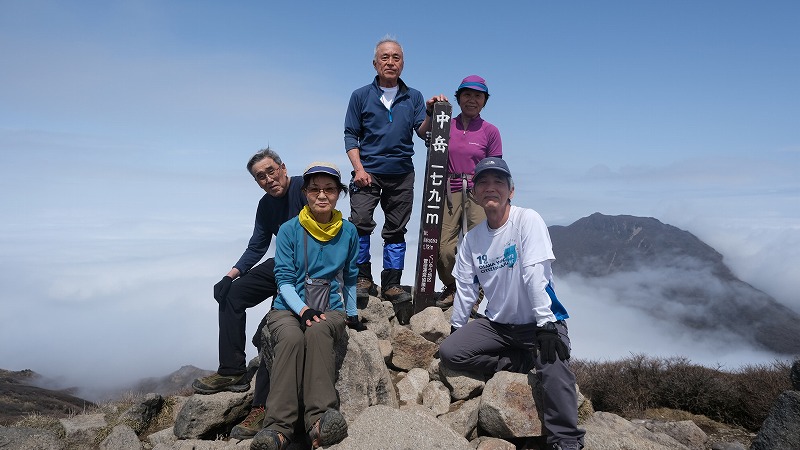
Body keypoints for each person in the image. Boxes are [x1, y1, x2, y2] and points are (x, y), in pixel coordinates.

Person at [438, 157, 585, 450]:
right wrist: (457, 327)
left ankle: (566, 440)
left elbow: (535, 274)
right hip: (498, 325)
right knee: (450, 352)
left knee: (553, 363)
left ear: (511, 191)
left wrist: (546, 324)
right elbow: (466, 288)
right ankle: (517, 362)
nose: (490, 187)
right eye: (483, 182)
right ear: (474, 193)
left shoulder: (527, 220)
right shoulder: (472, 240)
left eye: (498, 182)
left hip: (539, 322)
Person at [191, 148, 306, 440]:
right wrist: (230, 275)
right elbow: (257, 245)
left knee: (273, 329)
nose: (268, 179)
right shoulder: (266, 205)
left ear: (283, 168)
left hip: (310, 269)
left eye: (271, 171)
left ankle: (263, 407)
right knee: (231, 295)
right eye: (260, 177)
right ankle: (232, 371)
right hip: (282, 263)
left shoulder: (305, 188)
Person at [251, 162, 361, 450]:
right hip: (287, 308)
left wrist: (351, 314)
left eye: (329, 189)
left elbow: (350, 277)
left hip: (330, 307)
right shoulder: (289, 230)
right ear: (305, 193)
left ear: (339, 193)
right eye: (314, 189)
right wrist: (303, 310)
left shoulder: (349, 232)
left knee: (318, 331)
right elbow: (284, 280)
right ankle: (278, 428)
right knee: (290, 337)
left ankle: (319, 420)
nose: (322, 195)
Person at [344, 36, 433, 315]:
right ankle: (362, 278)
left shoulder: (413, 96)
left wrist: (431, 114)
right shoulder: (360, 96)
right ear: (375, 63)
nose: (390, 62)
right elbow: (350, 135)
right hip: (367, 172)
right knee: (360, 224)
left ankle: (392, 283)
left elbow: (422, 131)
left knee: (396, 229)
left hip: (402, 173)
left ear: (403, 63)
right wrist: (359, 169)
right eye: (385, 57)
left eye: (396, 57)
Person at [421, 75, 503, 308]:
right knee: (442, 247)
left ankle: (476, 291)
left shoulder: (490, 131)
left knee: (482, 245)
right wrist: (431, 112)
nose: (472, 100)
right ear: (458, 98)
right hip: (448, 190)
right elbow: (423, 134)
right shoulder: (445, 123)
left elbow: (495, 167)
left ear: (484, 101)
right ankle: (453, 286)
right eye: (467, 94)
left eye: (478, 96)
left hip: (478, 193)